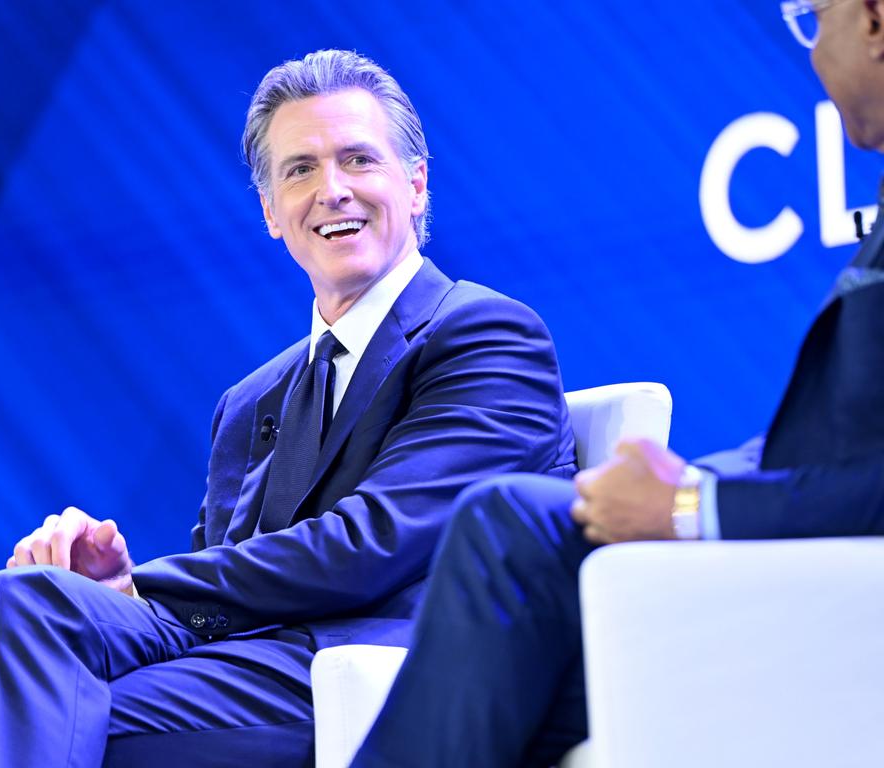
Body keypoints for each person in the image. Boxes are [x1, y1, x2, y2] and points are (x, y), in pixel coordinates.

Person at [0, 50, 577, 768]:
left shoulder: (485, 333)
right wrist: (106, 590)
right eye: (300, 169)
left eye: (359, 160)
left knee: (20, 727)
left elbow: (368, 549)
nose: (332, 190)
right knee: (25, 603)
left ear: (417, 184)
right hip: (252, 666)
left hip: (384, 676)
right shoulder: (251, 402)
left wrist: (137, 586)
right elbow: (222, 585)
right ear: (272, 212)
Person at [350, 1, 884, 766]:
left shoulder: (477, 330)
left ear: (872, 19)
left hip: (829, 603)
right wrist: (692, 479)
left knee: (513, 538)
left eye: (812, 18)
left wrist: (689, 505)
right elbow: (839, 432)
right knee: (518, 559)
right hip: (801, 578)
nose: (810, 51)